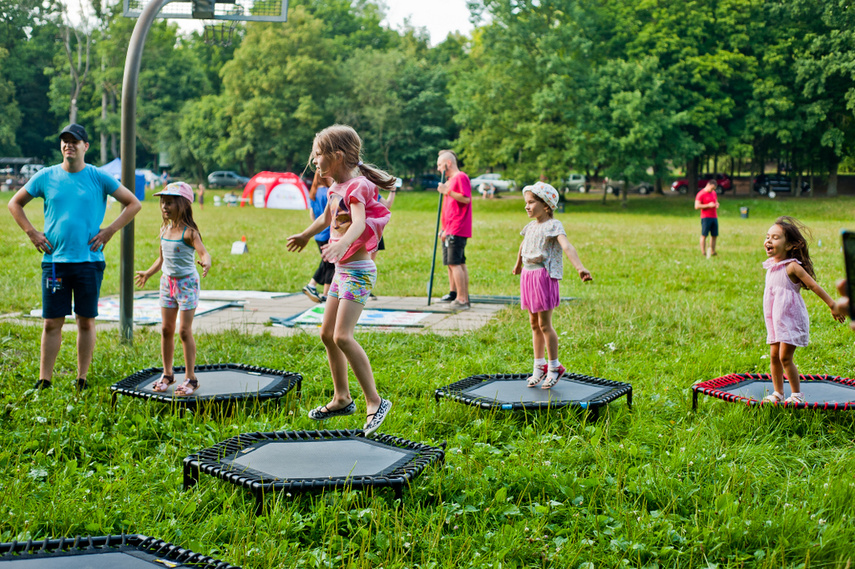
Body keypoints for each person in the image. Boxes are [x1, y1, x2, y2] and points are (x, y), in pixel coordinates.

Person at [7, 123, 142, 390]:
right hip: (55, 263)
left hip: (89, 262)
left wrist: (109, 232)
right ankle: (44, 380)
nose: (69, 145)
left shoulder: (98, 177)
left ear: (85, 146)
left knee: (85, 320)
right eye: (65, 141)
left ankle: (82, 378)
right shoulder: (46, 176)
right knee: (51, 322)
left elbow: (133, 203)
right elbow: (15, 203)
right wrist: (32, 233)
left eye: (75, 141)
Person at [286, 124, 393, 436]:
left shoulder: (358, 187)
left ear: (337, 156)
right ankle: (342, 398)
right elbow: (326, 218)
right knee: (326, 334)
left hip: (358, 272)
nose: (314, 161)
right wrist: (307, 235)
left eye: (318, 155)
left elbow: (359, 223)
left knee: (343, 336)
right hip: (342, 272)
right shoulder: (335, 189)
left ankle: (375, 401)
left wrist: (343, 243)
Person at [134, 182, 212, 396]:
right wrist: (148, 273)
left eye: (169, 203)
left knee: (184, 331)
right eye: (162, 202)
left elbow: (204, 253)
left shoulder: (190, 233)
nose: (164, 207)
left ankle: (191, 378)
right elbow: (162, 259)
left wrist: (206, 262)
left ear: (183, 205)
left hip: (186, 284)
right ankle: (168, 374)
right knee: (166, 329)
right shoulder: (164, 229)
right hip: (167, 284)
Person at [512, 182, 592, 389]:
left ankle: (555, 368)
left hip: (542, 277)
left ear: (546, 205)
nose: (527, 206)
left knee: (545, 324)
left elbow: (567, 246)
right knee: (533, 324)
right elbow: (523, 245)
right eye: (526, 203)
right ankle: (539, 366)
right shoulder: (530, 226)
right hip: (528, 276)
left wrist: (580, 268)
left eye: (531, 202)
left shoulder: (553, 226)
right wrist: (518, 264)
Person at [761, 217, 844, 403]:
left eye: (775, 237)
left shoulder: (792, 267)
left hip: (790, 318)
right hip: (775, 318)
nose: (768, 241)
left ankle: (796, 394)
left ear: (790, 245)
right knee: (774, 355)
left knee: (784, 357)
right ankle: (778, 393)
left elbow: (814, 286)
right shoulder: (771, 267)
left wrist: (832, 305)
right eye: (768, 237)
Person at [436, 150, 472, 309]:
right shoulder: (450, 180)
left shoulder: (460, 177)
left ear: (448, 163)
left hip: (457, 227)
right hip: (449, 228)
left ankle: (462, 299)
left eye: (439, 165)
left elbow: (465, 199)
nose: (438, 169)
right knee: (455, 263)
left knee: (455, 263)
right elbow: (448, 209)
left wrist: (447, 191)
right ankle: (456, 294)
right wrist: (443, 228)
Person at [302, 170, 335, 303]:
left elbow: (312, 215)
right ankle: (317, 288)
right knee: (330, 263)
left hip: (318, 234)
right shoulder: (328, 192)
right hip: (328, 232)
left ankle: (317, 289)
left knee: (327, 262)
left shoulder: (313, 193)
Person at [694, 180, 719, 257]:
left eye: (714, 189)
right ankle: (703, 252)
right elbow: (696, 206)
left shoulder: (714, 193)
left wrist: (717, 204)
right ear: (708, 185)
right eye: (711, 188)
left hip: (714, 216)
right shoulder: (700, 194)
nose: (712, 190)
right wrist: (708, 205)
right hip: (705, 217)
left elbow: (716, 201)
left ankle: (713, 251)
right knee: (704, 235)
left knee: (714, 235)